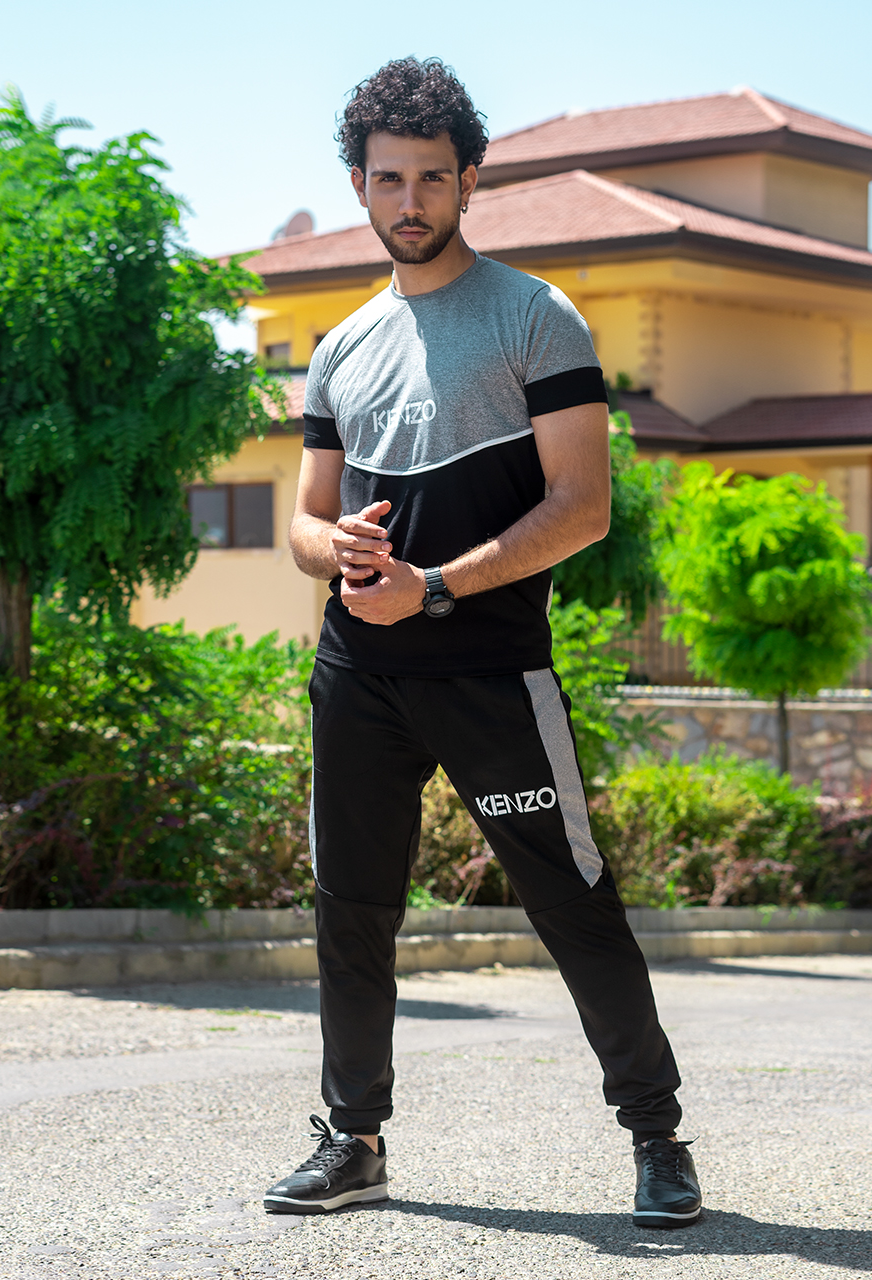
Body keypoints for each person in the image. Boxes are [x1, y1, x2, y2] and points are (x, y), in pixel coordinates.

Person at [264, 57, 699, 1231]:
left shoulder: (532, 315)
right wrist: (336, 545)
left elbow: (581, 506)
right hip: (358, 674)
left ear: (469, 181)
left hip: (491, 669)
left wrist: (435, 587)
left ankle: (656, 1135)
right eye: (387, 179)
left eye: (430, 179)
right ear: (358, 185)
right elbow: (300, 525)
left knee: (571, 897)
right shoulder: (341, 346)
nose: (408, 201)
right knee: (350, 905)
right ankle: (352, 1140)